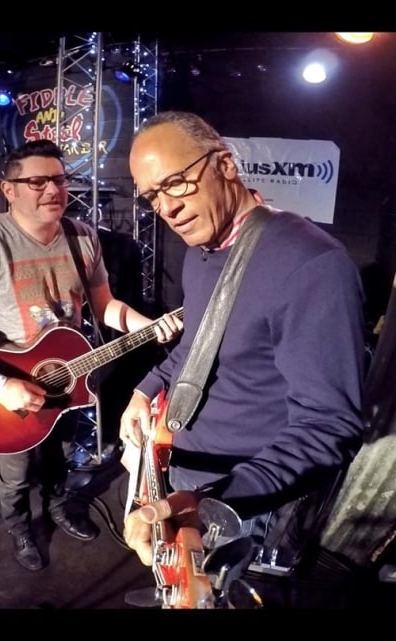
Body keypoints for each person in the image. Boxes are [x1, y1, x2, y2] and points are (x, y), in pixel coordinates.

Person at [119, 111, 366, 603]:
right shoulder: (202, 247)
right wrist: (143, 391)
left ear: (225, 165)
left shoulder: (311, 264)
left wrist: (213, 503)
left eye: (177, 184)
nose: (167, 207)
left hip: (247, 498)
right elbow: (197, 348)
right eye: (153, 197)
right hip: (185, 472)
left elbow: (330, 426)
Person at [0, 139, 182, 571]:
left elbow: (105, 304)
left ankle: (57, 506)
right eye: (37, 181)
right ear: (9, 189)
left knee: (58, 454)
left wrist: (144, 325)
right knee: (16, 473)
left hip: (67, 371)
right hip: (3, 385)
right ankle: (19, 527)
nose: (52, 189)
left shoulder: (82, 236)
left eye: (58, 179)